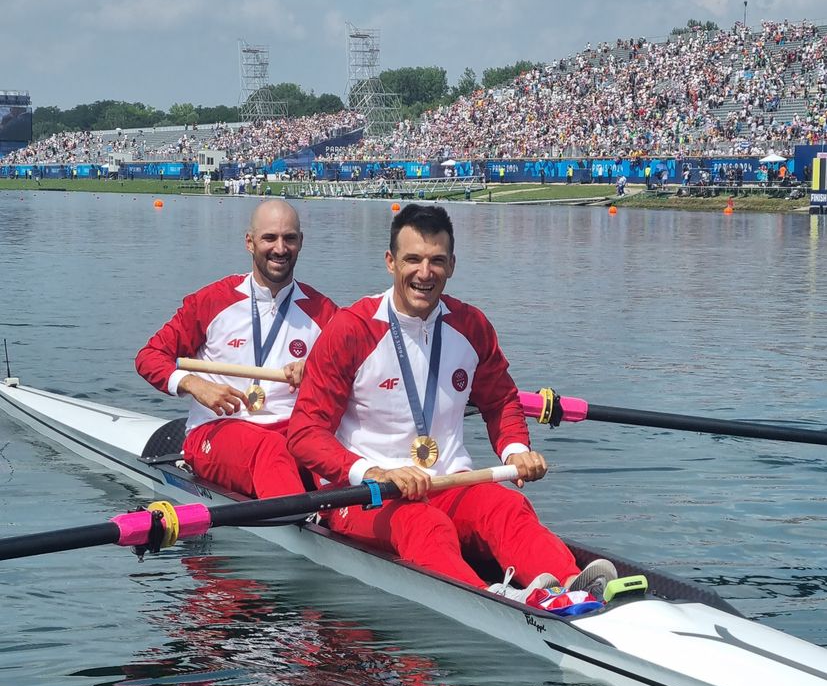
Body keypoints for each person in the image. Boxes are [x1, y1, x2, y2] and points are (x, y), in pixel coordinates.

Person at [287, 203, 615, 604]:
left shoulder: (470, 325)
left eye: (436, 261)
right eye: (413, 260)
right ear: (390, 262)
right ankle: (489, 602)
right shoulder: (351, 330)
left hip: (449, 482)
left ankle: (576, 588)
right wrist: (369, 471)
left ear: (452, 265)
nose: (425, 273)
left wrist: (516, 451)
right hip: (365, 496)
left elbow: (501, 401)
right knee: (423, 524)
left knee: (506, 507)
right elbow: (304, 433)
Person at [135, 200, 337, 499]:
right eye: (269, 238)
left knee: (338, 454)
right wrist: (194, 384)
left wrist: (319, 372)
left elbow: (359, 379)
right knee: (270, 449)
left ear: (301, 242)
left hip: (293, 433)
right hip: (217, 429)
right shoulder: (212, 301)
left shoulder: (325, 313)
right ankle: (300, 523)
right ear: (249, 242)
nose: (280, 249)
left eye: (289, 238)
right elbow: (149, 357)